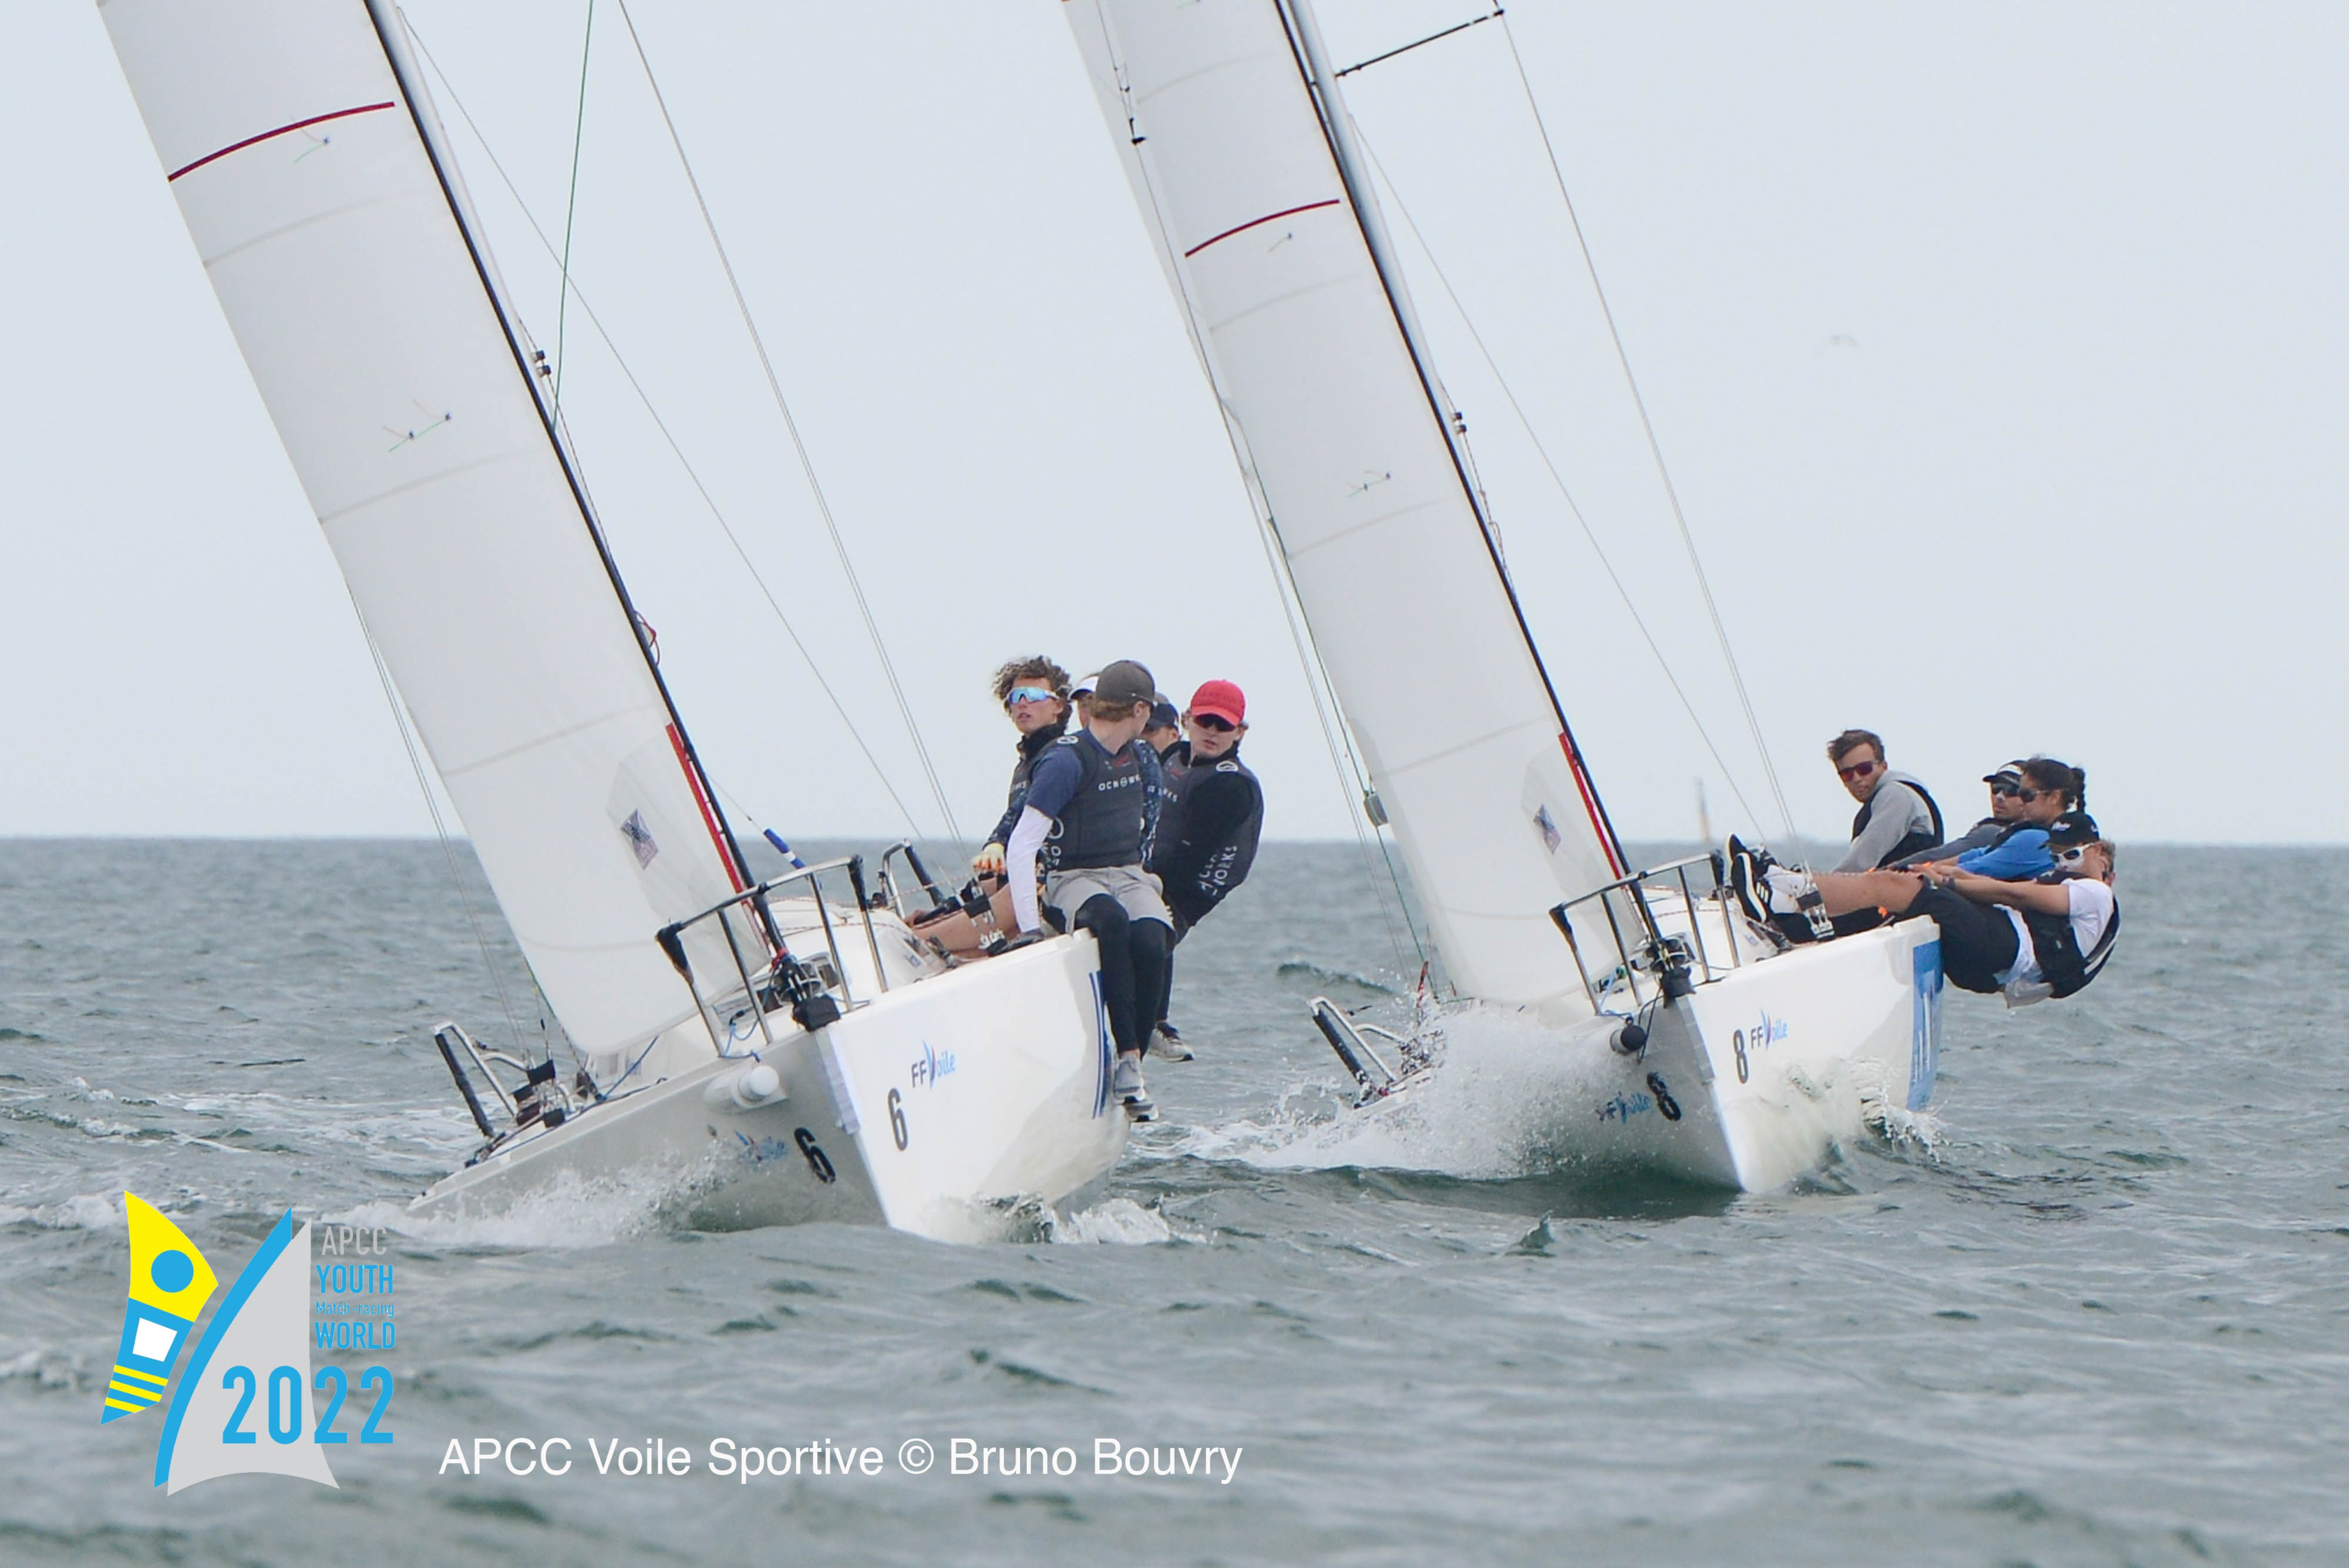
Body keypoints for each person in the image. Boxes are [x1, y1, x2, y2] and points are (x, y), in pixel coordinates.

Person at [1004, 659, 1172, 1119]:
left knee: (1153, 938)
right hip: (1074, 876)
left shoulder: (1141, 757)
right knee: (1112, 922)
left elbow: (1149, 827)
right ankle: (1124, 1052)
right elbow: (1022, 845)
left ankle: (1136, 1058)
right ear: (1139, 711)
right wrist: (1029, 926)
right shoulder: (1066, 759)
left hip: (1128, 872)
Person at [1742, 813, 2118, 1003]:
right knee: (1899, 902)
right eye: (2056, 856)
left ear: (2098, 851)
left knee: (1897, 887)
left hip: (2005, 949)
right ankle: (1794, 923)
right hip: (1997, 956)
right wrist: (1948, 873)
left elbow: (2016, 896)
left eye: (2071, 855)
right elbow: (2009, 891)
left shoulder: (2096, 894)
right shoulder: (2068, 881)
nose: (2063, 863)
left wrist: (1946, 883)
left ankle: (1780, 891)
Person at [1143, 680, 1263, 1060]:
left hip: (1191, 888)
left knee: (1150, 923)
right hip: (1153, 869)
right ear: (1187, 720)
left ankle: (1153, 1025)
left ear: (1240, 732)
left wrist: (1135, 876)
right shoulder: (1172, 757)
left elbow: (1189, 860)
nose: (1212, 731)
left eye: (1223, 725)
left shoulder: (1230, 785)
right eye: (1204, 721)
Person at [971, 657, 1072, 879]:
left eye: (1034, 695)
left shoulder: (1063, 757)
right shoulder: (1025, 763)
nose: (1023, 703)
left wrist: (997, 842)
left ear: (1058, 706)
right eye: (1016, 697)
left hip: (1059, 878)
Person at [1826, 729, 1944, 872]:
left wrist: (1823, 884)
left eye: (1864, 769)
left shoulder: (1896, 795)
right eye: (1847, 774)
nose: (1857, 779)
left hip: (1907, 884)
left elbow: (1864, 858)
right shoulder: (1880, 802)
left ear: (1884, 767)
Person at [1893, 760, 2030, 867]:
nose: (1999, 797)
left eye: (2011, 790)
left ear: (2029, 796)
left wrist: (1890, 870)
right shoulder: (2036, 836)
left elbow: (1938, 856)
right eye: (1996, 788)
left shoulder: (1992, 832)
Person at [1142, 696, 1183, 762]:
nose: (1143, 737)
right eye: (1140, 731)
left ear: (1174, 735)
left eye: (1151, 730)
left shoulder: (1190, 766)